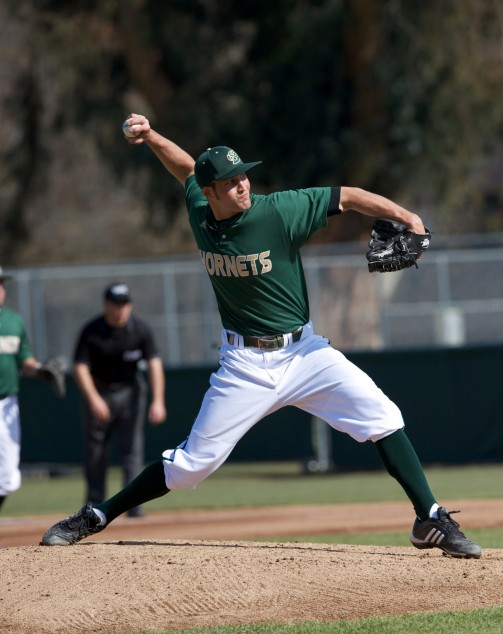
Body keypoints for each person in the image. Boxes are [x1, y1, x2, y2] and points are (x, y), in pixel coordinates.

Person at [40, 114, 482, 558]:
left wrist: (409, 216)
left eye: (244, 176)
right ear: (210, 193)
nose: (243, 185)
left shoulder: (279, 211)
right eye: (231, 182)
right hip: (244, 364)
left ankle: (429, 517)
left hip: (305, 353)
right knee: (192, 467)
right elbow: (184, 169)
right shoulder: (199, 206)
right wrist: (153, 137)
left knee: (382, 414)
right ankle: (96, 515)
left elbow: (347, 196)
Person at [73, 282, 167, 517]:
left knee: (132, 450)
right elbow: (80, 367)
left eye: (125, 304)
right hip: (99, 390)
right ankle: (93, 506)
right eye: (116, 304)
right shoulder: (92, 331)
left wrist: (158, 400)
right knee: (95, 452)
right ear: (106, 305)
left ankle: (133, 506)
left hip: (130, 392)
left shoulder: (140, 330)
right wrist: (94, 399)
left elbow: (154, 364)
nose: (121, 309)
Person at [0, 267, 60, 511]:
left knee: (8, 477)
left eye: (2, 284)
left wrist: (41, 369)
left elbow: (25, 360)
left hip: (6, 405)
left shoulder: (13, 321)